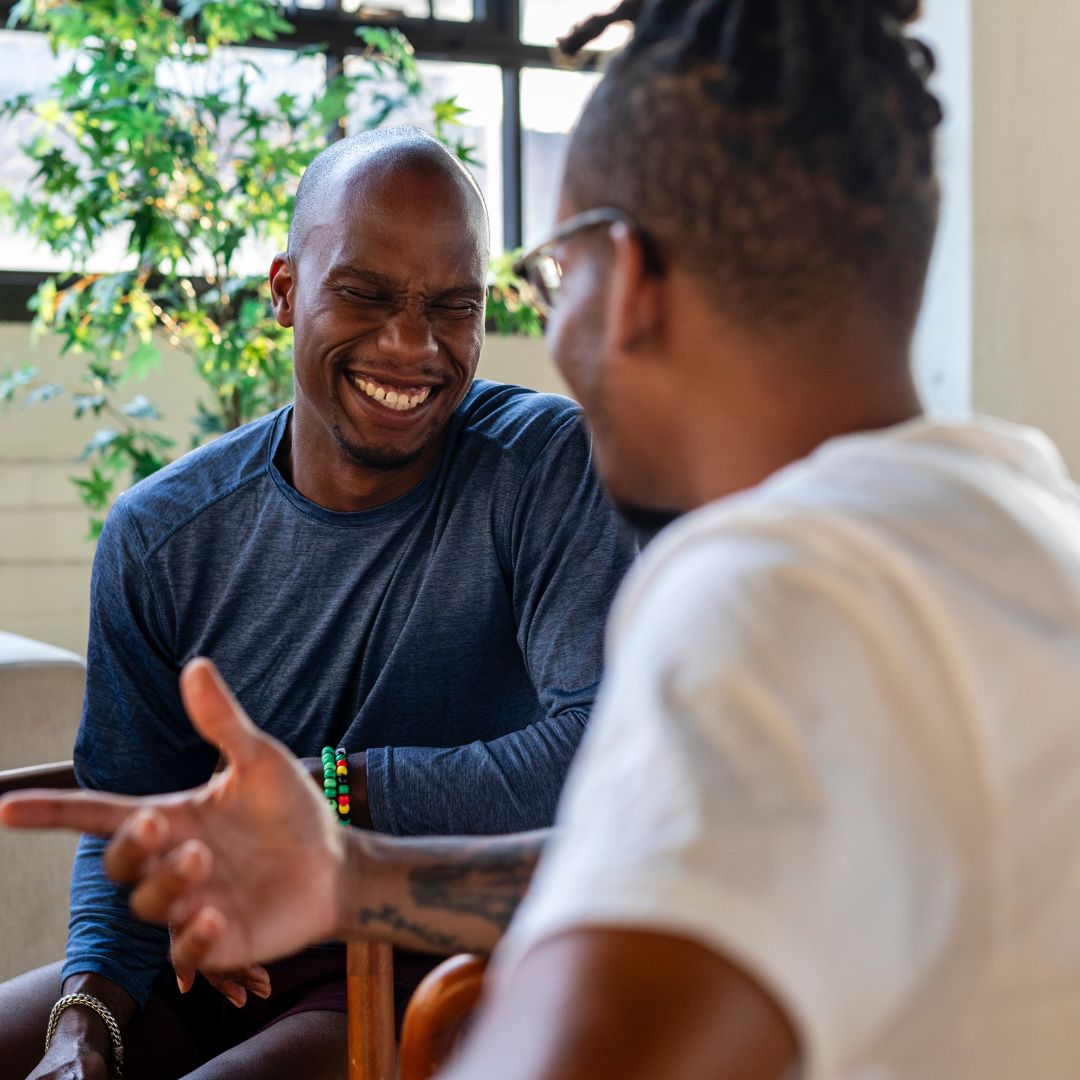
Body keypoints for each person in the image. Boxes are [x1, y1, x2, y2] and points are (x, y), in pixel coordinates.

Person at [10, 0, 1080, 1077]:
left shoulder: (767, 601)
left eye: (543, 278)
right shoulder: (1024, 527)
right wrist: (352, 878)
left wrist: (346, 818)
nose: (543, 339)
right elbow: (675, 864)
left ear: (629, 280)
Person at [0, 125, 635, 1079]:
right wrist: (83, 1023)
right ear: (286, 288)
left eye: (452, 307)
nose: (413, 345)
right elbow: (129, 814)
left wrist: (325, 793)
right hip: (217, 964)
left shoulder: (545, 470)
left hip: (423, 959)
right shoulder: (162, 534)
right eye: (366, 295)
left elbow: (599, 754)